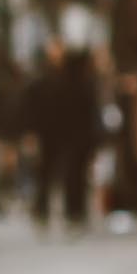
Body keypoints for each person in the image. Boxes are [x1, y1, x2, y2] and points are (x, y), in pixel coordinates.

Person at [21, 38, 100, 229]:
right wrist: (31, 133)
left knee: (74, 175)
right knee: (45, 174)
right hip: (49, 134)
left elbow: (88, 109)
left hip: (73, 135)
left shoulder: (77, 80)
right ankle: (43, 212)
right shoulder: (41, 80)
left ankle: (73, 213)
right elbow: (31, 109)